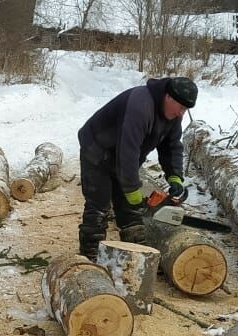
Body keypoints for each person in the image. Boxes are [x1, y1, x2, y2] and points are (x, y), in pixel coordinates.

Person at [76, 76, 198, 257]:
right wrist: (133, 192)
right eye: (181, 107)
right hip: (97, 148)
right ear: (169, 97)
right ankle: (89, 256)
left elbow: (171, 146)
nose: (182, 113)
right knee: (99, 205)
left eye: (185, 109)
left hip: (124, 155)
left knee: (130, 211)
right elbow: (128, 152)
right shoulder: (140, 105)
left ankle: (136, 256)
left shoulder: (173, 115)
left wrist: (175, 176)